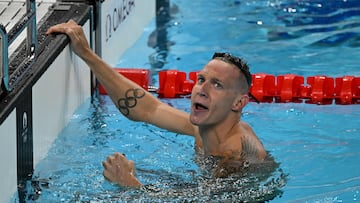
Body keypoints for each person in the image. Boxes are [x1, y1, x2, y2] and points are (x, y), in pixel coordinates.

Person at [46, 20, 268, 187]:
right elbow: (148, 108)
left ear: (239, 102)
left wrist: (130, 185)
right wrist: (86, 53)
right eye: (201, 80)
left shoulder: (237, 157)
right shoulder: (207, 126)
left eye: (217, 85)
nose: (203, 89)